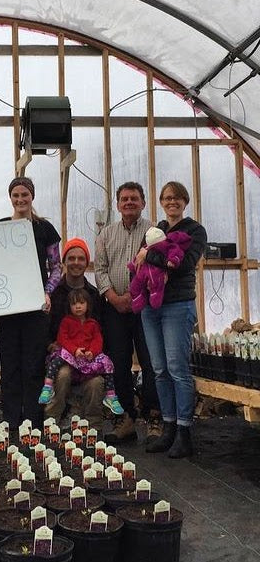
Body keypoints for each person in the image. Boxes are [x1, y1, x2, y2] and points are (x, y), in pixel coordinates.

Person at [137, 181, 207, 458]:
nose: (171, 202)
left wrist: (150, 254)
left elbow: (185, 262)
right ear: (161, 202)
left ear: (185, 201)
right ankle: (168, 427)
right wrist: (149, 259)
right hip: (151, 307)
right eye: (167, 198)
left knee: (178, 368)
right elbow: (141, 263)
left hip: (177, 305)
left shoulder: (194, 230)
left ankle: (184, 431)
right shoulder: (158, 230)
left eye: (177, 198)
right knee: (159, 369)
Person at [94, 182, 161, 444]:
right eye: (124, 199)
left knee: (150, 362)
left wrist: (135, 298)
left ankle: (154, 416)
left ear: (143, 202)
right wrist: (112, 296)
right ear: (118, 205)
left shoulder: (154, 233)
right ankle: (126, 419)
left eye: (134, 198)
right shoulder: (106, 235)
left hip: (145, 308)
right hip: (115, 308)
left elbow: (157, 270)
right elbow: (99, 269)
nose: (129, 202)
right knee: (118, 363)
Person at [0, 176, 61, 428]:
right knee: (9, 363)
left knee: (33, 364)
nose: (20, 199)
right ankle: (11, 420)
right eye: (16, 195)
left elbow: (56, 267)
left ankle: (33, 419)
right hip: (7, 308)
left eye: (25, 194)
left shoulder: (44, 229)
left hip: (36, 308)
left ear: (32, 196)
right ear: (10, 198)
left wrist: (47, 292)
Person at [43, 238, 106, 429]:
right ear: (64, 262)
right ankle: (52, 422)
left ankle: (94, 426)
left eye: (80, 258)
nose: (76, 263)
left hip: (87, 358)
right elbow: (44, 327)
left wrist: (93, 353)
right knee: (62, 375)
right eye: (71, 258)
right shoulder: (53, 293)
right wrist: (49, 344)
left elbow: (99, 332)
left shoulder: (94, 295)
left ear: (87, 263)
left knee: (96, 383)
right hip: (61, 355)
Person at [39, 288, 124, 415]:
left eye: (81, 303)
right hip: (71, 355)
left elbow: (97, 340)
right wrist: (74, 350)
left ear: (88, 305)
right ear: (69, 306)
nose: (78, 306)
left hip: (88, 358)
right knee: (56, 359)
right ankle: (48, 386)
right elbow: (62, 338)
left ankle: (111, 395)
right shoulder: (66, 321)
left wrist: (92, 352)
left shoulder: (93, 323)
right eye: (74, 304)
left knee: (108, 364)